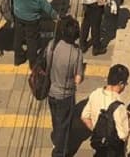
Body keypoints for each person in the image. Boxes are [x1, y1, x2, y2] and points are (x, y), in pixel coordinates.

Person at [47, 17, 85, 157]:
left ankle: (57, 138)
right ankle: (59, 152)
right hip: (66, 96)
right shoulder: (77, 54)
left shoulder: (52, 45)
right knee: (64, 125)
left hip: (51, 92)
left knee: (56, 120)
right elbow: (78, 79)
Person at [82, 64, 130, 157]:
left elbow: (85, 116)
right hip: (113, 151)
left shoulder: (95, 94)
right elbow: (123, 135)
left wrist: (97, 131)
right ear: (121, 84)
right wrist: (127, 118)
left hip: (99, 146)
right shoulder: (119, 106)